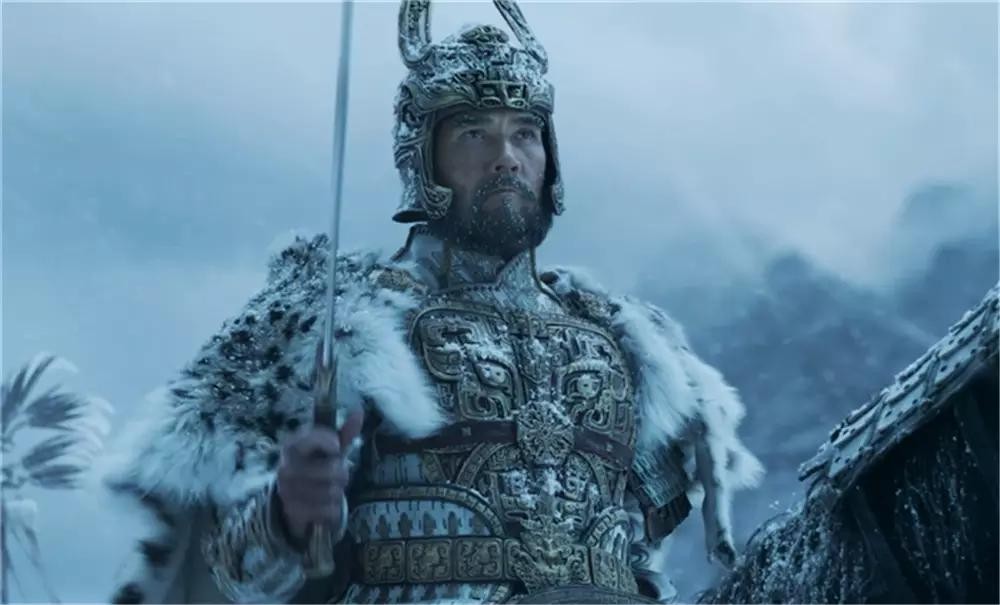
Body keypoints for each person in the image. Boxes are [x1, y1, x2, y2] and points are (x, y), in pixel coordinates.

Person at [101, 1, 762, 603]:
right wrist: (287, 515)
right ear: (423, 158)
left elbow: (645, 550)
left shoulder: (622, 338)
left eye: (524, 133)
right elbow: (223, 566)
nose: (506, 157)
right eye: (474, 133)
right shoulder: (336, 320)